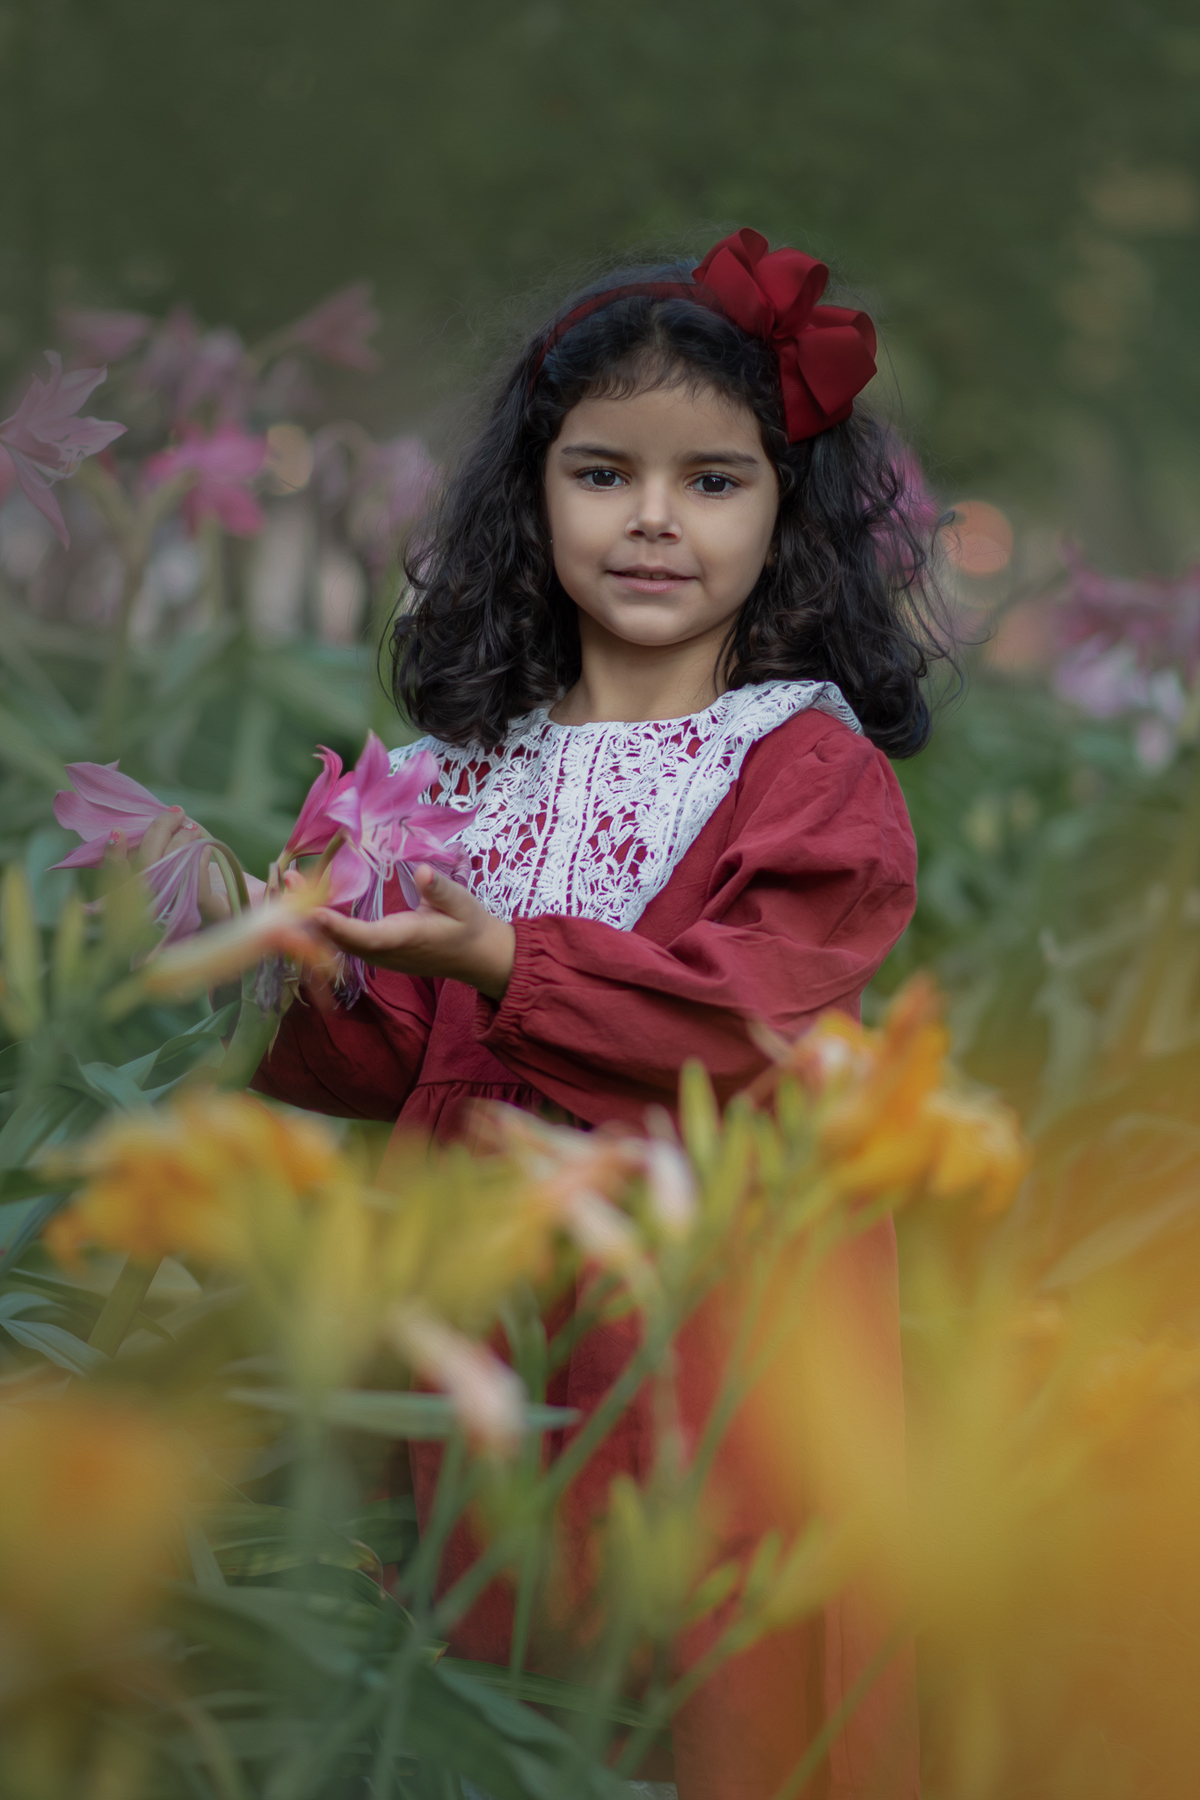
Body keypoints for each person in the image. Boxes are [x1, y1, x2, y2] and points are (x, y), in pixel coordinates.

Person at [195, 228, 945, 1797]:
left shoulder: (806, 768)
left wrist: (506, 960)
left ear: (786, 513)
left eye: (713, 481)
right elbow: (388, 1060)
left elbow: (748, 1024)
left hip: (706, 1323)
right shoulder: (470, 766)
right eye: (603, 474)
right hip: (480, 1304)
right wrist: (293, 952)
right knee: (484, 1671)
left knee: (701, 1671)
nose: (654, 520)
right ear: (535, 502)